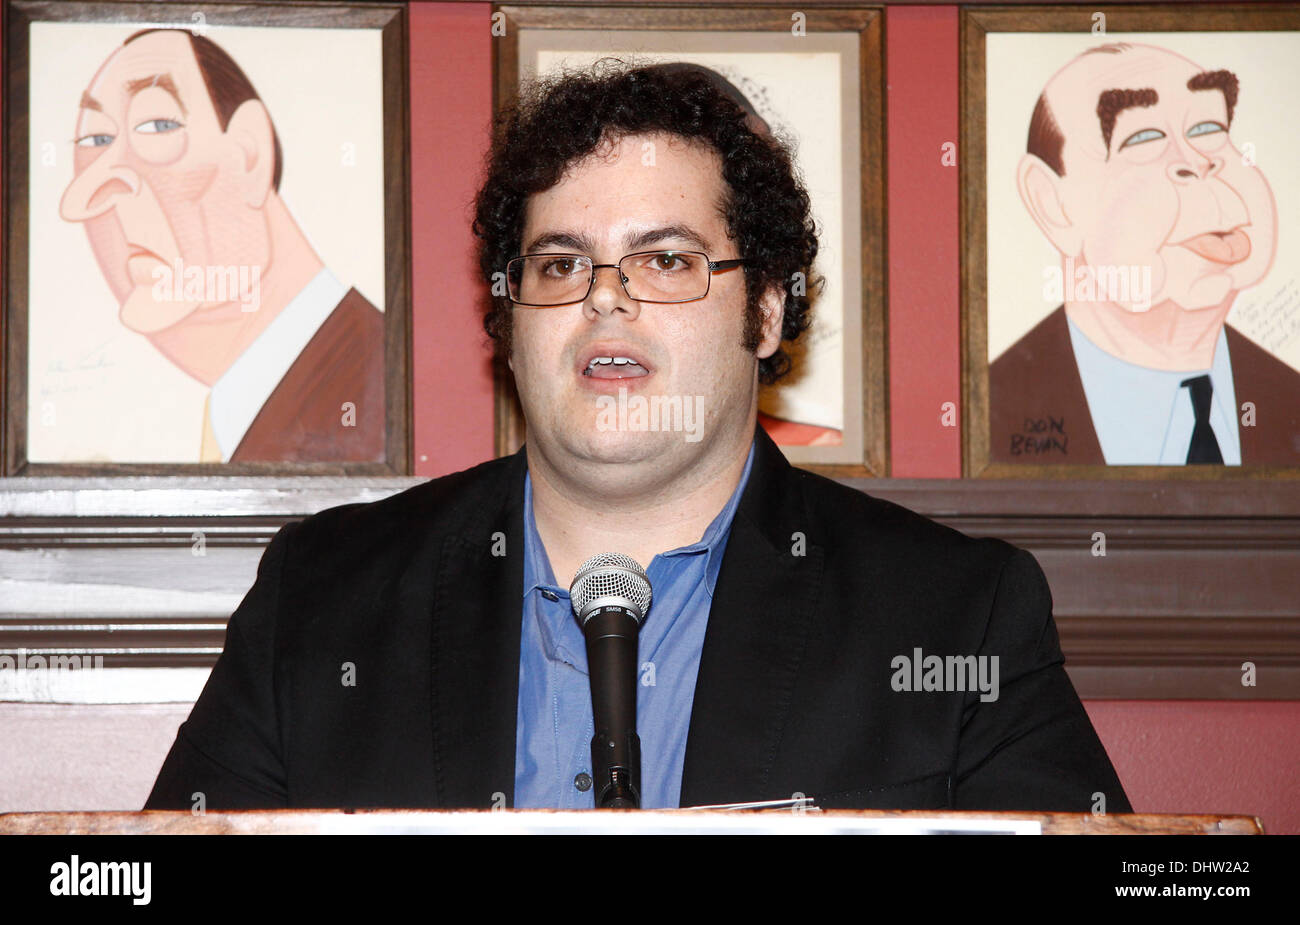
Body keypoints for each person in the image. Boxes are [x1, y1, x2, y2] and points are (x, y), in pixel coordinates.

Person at [145, 60, 1130, 813]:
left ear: (769, 311)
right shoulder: (322, 598)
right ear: (511, 317)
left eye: (666, 259)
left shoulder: (952, 614)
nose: (604, 301)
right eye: (561, 262)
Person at [60, 27, 383, 463]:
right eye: (96, 140)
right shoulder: (241, 408)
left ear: (250, 155)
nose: (92, 193)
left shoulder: (370, 384)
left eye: (157, 125)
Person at [991, 43, 1300, 466]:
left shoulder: (1288, 397)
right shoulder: (990, 412)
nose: (1197, 161)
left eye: (1210, 127)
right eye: (1143, 137)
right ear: (1052, 203)